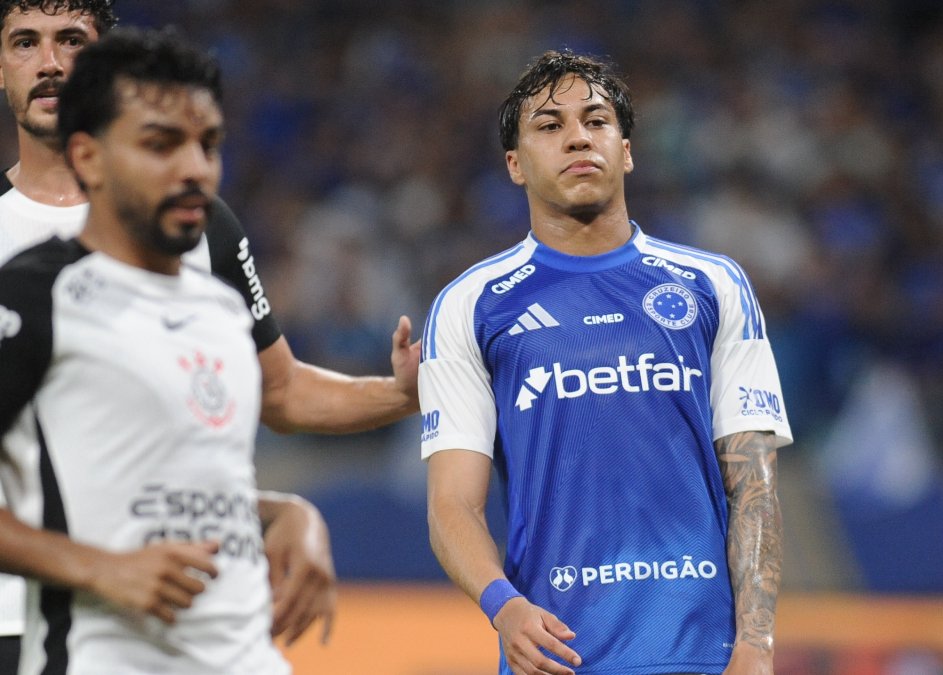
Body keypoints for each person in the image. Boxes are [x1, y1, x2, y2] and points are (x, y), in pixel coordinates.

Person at [0, 0, 418, 669]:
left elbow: (260, 405)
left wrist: (287, 509)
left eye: (71, 41)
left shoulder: (209, 276)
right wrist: (99, 566)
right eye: (25, 42)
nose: (50, 63)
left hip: (224, 638)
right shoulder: (35, 288)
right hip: (45, 616)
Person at [420, 50, 792, 674]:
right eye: (548, 125)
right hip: (558, 658)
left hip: (702, 658)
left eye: (596, 121)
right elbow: (452, 505)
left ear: (625, 150)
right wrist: (503, 606)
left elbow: (753, 487)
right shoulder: (470, 306)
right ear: (515, 164)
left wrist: (755, 646)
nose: (576, 137)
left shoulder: (712, 285)